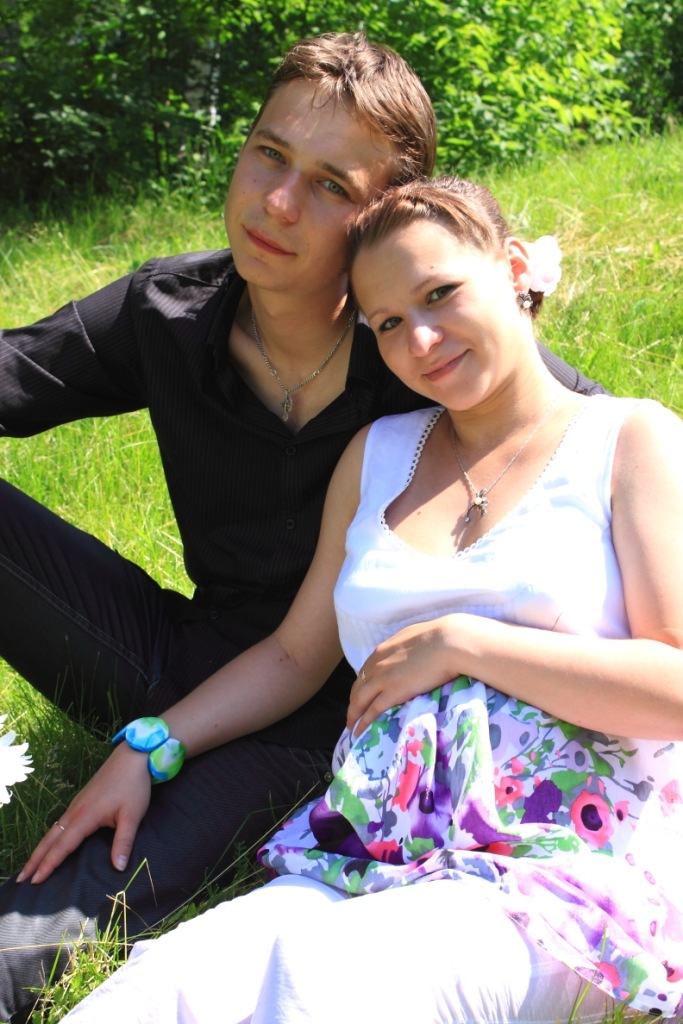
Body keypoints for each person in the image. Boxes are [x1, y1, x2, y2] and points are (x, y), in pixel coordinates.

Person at [0, 35, 605, 1024]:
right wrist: (151, 737)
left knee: (68, 904)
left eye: (330, 186)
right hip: (183, 654)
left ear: (382, 219)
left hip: (332, 723)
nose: (277, 202)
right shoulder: (166, 310)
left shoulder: (420, 354)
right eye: (268, 154)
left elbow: (590, 440)